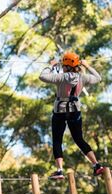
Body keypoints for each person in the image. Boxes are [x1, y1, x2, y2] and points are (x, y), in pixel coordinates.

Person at [39, 51, 105, 179]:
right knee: (79, 139)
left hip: (60, 111)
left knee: (57, 140)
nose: (62, 67)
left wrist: (51, 66)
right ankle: (96, 165)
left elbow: (43, 76)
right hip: (75, 111)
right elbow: (98, 78)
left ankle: (59, 170)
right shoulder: (83, 77)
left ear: (67, 66)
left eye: (63, 65)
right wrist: (87, 66)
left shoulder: (61, 78)